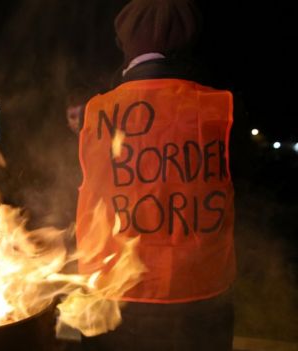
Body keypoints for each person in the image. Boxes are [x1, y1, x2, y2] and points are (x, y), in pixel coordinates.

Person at [76, 0, 235, 350]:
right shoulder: (216, 107)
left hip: (116, 290)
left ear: (126, 43)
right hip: (201, 294)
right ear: (186, 42)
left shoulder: (99, 110)